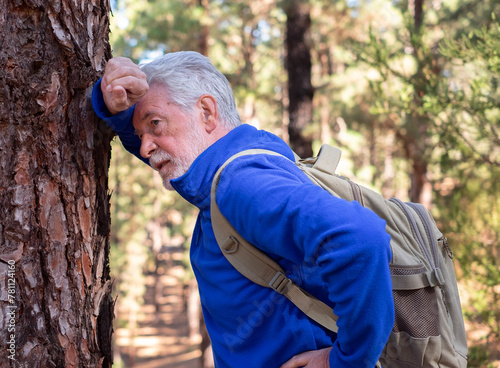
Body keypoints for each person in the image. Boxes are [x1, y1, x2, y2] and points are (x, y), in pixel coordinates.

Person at [92, 51, 394, 368]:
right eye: (141, 135)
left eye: (155, 124)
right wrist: (118, 110)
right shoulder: (236, 164)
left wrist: (346, 362)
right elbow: (170, 155)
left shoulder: (240, 186)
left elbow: (360, 238)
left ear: (207, 113)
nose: (144, 147)